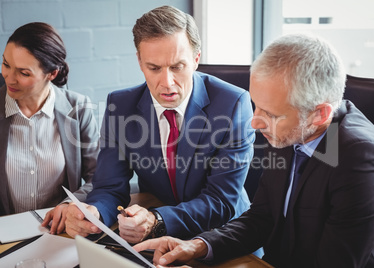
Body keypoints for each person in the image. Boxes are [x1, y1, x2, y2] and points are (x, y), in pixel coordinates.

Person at [133, 34, 374, 268]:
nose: (255, 122)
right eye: (256, 105)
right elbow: (263, 217)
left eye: (270, 113)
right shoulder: (292, 130)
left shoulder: (361, 160)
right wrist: (199, 246)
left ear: (319, 114)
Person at [65, 5, 255, 244]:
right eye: (154, 68)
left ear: (196, 59)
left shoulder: (233, 104)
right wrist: (95, 211)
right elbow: (109, 186)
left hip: (222, 238)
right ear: (140, 61)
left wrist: (157, 220)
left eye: (177, 67)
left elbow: (220, 200)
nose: (167, 82)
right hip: (153, 239)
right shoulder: (120, 106)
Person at [0, 22, 99, 235]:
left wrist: (69, 204)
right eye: (6, 64)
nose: (9, 77)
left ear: (51, 73)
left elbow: (98, 176)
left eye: (23, 73)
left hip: (59, 233)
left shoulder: (78, 109)